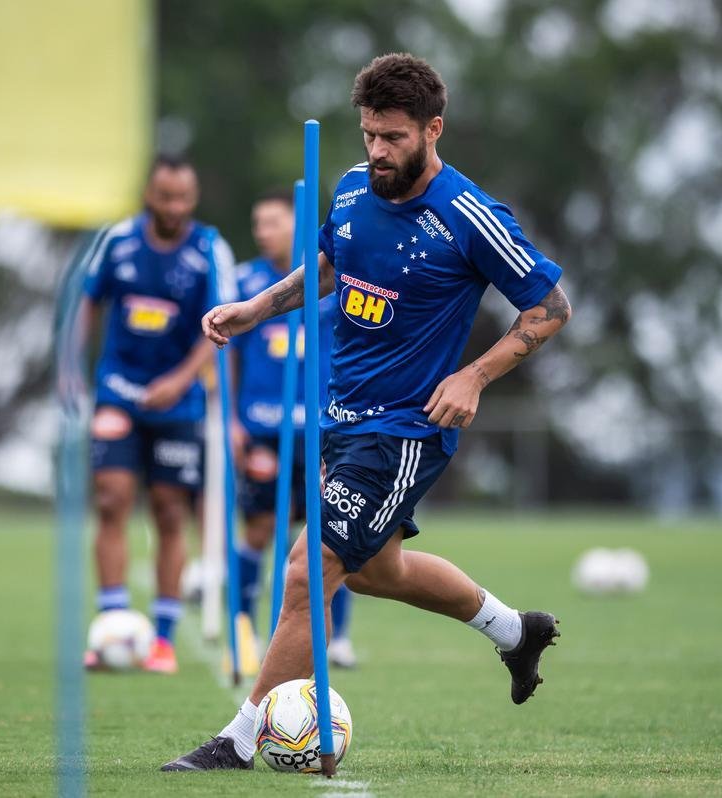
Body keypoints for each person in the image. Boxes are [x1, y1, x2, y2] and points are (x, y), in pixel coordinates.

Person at [163, 52, 572, 772]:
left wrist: (473, 376)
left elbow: (550, 308)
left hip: (405, 428)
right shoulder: (354, 187)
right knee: (377, 570)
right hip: (342, 417)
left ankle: (239, 739)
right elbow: (329, 264)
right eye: (369, 135)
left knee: (308, 568)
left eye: (393, 137)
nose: (378, 151)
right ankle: (516, 631)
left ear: (433, 129)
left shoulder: (468, 215)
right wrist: (256, 308)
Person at [81, 154, 234, 673]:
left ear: (193, 198)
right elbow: (87, 301)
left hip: (180, 399)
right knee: (111, 500)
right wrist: (73, 369)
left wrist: (181, 380)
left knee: (170, 511)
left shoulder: (210, 248)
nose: (174, 206)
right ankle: (112, 626)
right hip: (118, 391)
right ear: (149, 194)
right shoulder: (117, 239)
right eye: (165, 196)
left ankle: (163, 639)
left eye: (183, 197)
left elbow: (220, 323)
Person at [229, 189, 358, 668]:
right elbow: (229, 358)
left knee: (330, 532)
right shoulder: (245, 281)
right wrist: (230, 421)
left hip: (321, 428)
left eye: (273, 222)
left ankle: (336, 637)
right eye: (257, 224)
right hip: (262, 428)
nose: (263, 232)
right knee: (261, 526)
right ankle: (241, 626)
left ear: (298, 224)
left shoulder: (332, 278)